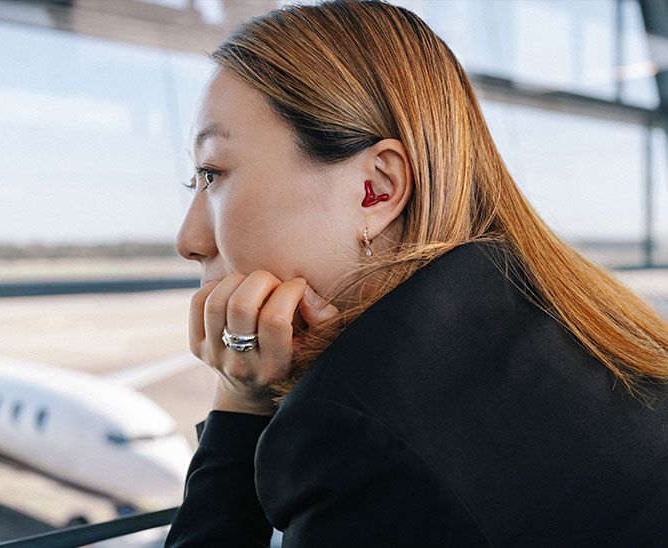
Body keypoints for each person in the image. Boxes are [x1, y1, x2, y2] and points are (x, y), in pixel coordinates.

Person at [164, 1, 668, 546]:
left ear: (376, 189)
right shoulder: (564, 321)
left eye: (212, 173)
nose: (189, 241)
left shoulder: (357, 430)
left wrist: (239, 408)